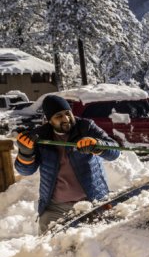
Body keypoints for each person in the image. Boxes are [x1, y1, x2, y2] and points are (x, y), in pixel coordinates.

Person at [14, 94, 120, 234]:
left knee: (100, 247)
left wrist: (97, 145)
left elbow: (115, 151)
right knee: (48, 249)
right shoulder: (41, 136)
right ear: (49, 120)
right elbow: (25, 171)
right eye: (58, 116)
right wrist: (25, 153)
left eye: (67, 113)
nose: (66, 119)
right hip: (55, 208)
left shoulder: (86, 127)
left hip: (92, 203)